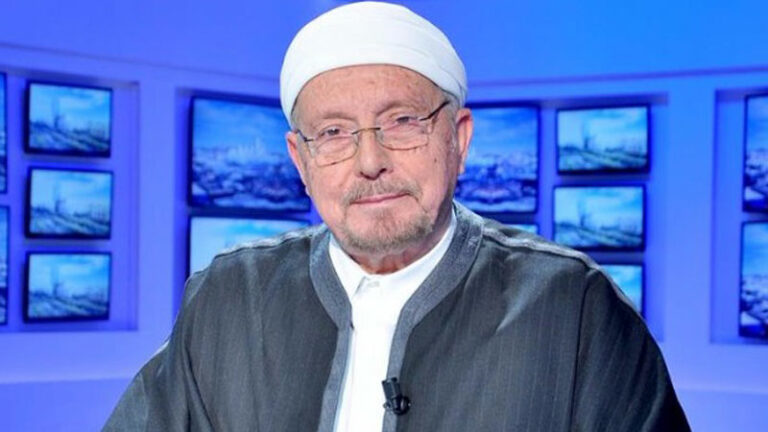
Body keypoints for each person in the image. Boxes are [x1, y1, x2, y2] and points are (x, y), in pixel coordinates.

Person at [105, 2, 690, 431]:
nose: (370, 162)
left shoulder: (575, 308)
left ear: (459, 139)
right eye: (333, 133)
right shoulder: (229, 297)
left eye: (402, 122)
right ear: (301, 161)